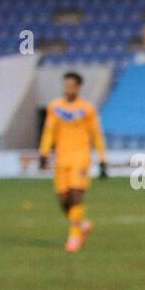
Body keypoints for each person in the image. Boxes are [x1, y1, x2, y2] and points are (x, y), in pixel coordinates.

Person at [38, 71, 106, 254]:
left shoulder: (87, 109)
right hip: (62, 159)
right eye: (66, 85)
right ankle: (82, 224)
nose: (68, 89)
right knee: (63, 201)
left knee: (76, 195)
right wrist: (44, 153)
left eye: (71, 86)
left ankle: (74, 236)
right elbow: (49, 131)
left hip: (81, 158)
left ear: (78, 87)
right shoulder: (55, 107)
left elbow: (96, 134)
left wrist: (102, 159)